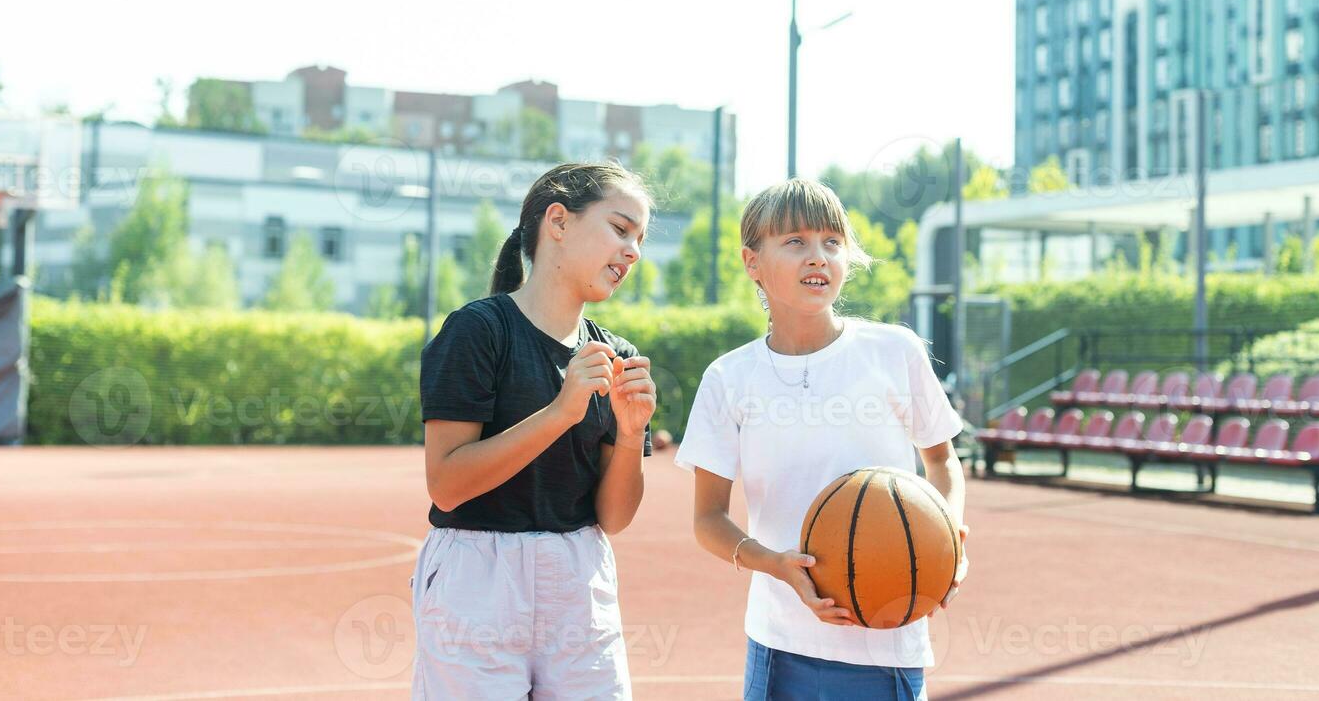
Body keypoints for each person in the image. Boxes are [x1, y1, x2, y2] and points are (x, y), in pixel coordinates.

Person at [676, 177, 968, 701]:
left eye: (832, 242)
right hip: (781, 642)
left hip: (888, 642)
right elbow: (707, 519)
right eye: (795, 242)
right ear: (752, 262)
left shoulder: (894, 351)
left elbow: (943, 462)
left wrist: (947, 537)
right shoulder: (729, 378)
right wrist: (775, 565)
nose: (819, 257)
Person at [412, 163, 657, 700]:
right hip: (478, 579)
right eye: (620, 229)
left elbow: (613, 518)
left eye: (639, 238)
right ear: (558, 222)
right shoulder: (479, 331)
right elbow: (447, 484)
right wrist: (561, 411)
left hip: (579, 575)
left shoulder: (619, 358)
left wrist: (633, 433)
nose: (633, 250)